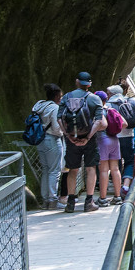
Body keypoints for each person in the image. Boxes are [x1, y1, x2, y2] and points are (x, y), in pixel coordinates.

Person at [59, 71, 105, 212]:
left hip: (72, 139)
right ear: (89, 84)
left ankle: (70, 203)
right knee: (91, 168)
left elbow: (59, 118)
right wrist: (88, 138)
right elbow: (98, 121)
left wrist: (68, 135)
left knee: (73, 170)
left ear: (77, 81)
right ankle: (89, 203)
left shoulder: (66, 97)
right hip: (89, 139)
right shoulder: (94, 99)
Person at [107, 84, 135, 200]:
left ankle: (117, 188)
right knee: (129, 161)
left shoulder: (109, 105)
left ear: (112, 94)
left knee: (116, 162)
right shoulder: (129, 101)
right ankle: (125, 186)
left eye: (109, 93)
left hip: (114, 137)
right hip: (129, 136)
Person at [33, 83, 64, 210]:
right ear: (56, 96)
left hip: (40, 139)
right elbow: (57, 128)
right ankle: (53, 200)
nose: (61, 99)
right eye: (60, 96)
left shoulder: (39, 105)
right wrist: (63, 133)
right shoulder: (54, 108)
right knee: (54, 171)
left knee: (45, 169)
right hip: (52, 139)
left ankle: (45, 200)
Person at [95, 90, 123, 206]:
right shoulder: (112, 110)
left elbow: (99, 124)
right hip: (115, 140)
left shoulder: (98, 111)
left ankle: (103, 198)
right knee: (115, 169)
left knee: (104, 170)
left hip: (102, 141)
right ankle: (117, 197)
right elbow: (124, 123)